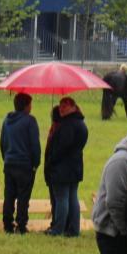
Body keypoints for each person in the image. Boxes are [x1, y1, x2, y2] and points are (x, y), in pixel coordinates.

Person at [42, 97, 88, 237]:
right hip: (75, 167)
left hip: (62, 168)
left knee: (61, 198)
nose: (61, 108)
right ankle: (73, 229)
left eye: (65, 105)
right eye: (61, 105)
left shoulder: (67, 125)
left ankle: (58, 229)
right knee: (72, 198)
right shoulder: (81, 123)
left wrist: (51, 160)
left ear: (73, 107)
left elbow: (61, 147)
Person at [0, 93, 42, 234]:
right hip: (25, 165)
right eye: (30, 104)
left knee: (9, 195)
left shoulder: (7, 120)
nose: (31, 107)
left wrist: (6, 158)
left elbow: (2, 143)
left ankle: (7, 223)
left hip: (9, 163)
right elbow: (35, 145)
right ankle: (21, 224)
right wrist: (36, 163)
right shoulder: (30, 121)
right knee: (23, 196)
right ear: (26, 106)